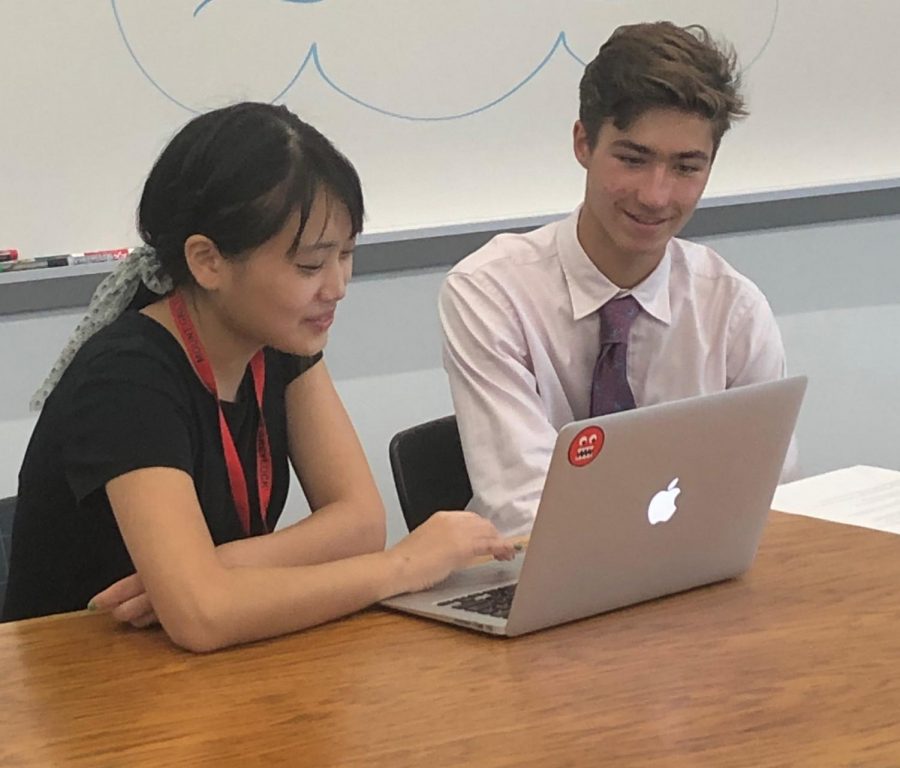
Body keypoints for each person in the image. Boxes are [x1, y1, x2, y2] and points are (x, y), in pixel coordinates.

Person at [2, 102, 514, 649]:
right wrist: (405, 566)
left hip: (198, 670)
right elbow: (202, 619)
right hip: (76, 684)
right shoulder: (126, 377)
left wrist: (215, 571)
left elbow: (359, 523)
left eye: (346, 254)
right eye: (310, 266)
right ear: (208, 261)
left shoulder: (278, 338)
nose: (338, 285)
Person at [440, 22, 799, 537]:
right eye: (633, 159)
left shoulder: (734, 310)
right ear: (583, 143)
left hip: (690, 578)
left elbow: (771, 497)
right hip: (535, 576)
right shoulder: (491, 293)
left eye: (686, 168)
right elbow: (523, 503)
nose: (655, 195)